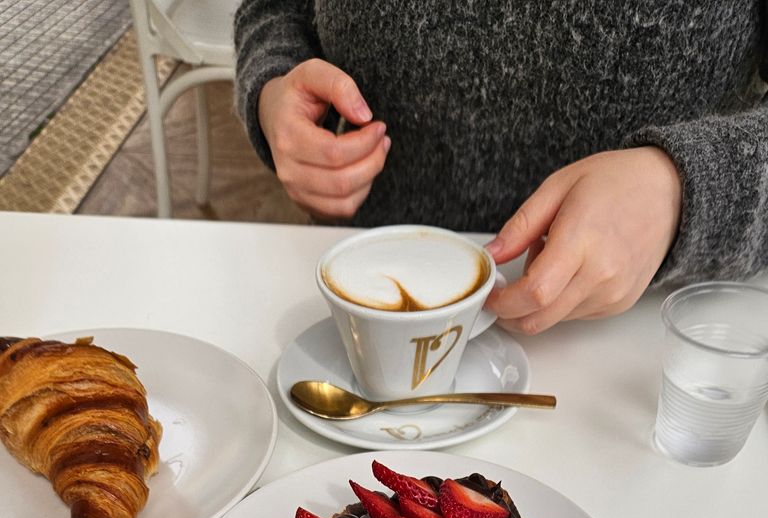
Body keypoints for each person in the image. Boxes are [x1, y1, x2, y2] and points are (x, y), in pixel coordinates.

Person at [233, 3, 768, 334]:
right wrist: (275, 86)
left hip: (656, 348)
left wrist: (683, 188)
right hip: (351, 314)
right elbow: (279, 7)